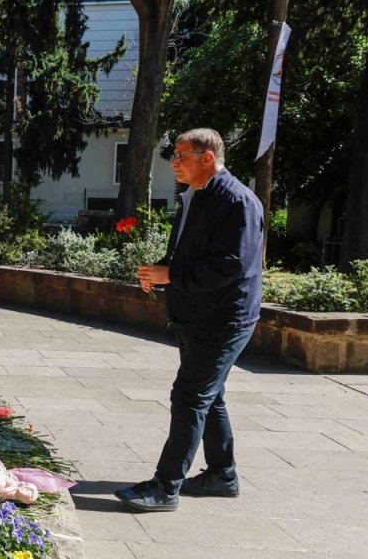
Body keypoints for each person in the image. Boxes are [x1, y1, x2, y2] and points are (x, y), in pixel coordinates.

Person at [114, 128, 265, 512]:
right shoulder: (197, 196)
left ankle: (165, 488)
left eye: (181, 155)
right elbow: (194, 252)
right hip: (199, 315)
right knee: (208, 396)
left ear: (208, 158)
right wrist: (163, 270)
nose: (174, 162)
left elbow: (232, 265)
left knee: (189, 396)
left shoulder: (237, 201)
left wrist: (174, 275)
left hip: (224, 319)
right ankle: (221, 475)